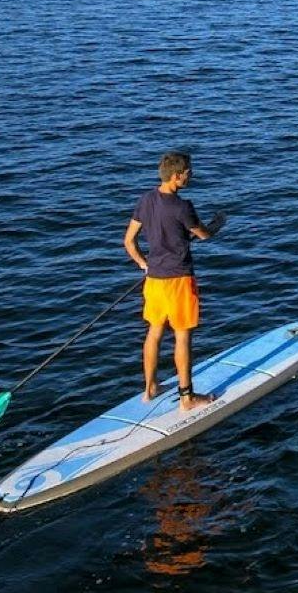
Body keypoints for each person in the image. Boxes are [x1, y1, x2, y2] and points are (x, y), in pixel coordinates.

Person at [124, 151, 221, 409]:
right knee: (182, 337)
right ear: (177, 176)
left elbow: (129, 242)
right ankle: (187, 398)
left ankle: (150, 388)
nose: (191, 176)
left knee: (154, 332)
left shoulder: (145, 200)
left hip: (154, 280)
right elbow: (203, 235)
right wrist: (217, 225)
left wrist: (144, 264)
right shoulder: (182, 206)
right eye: (189, 172)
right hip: (179, 280)